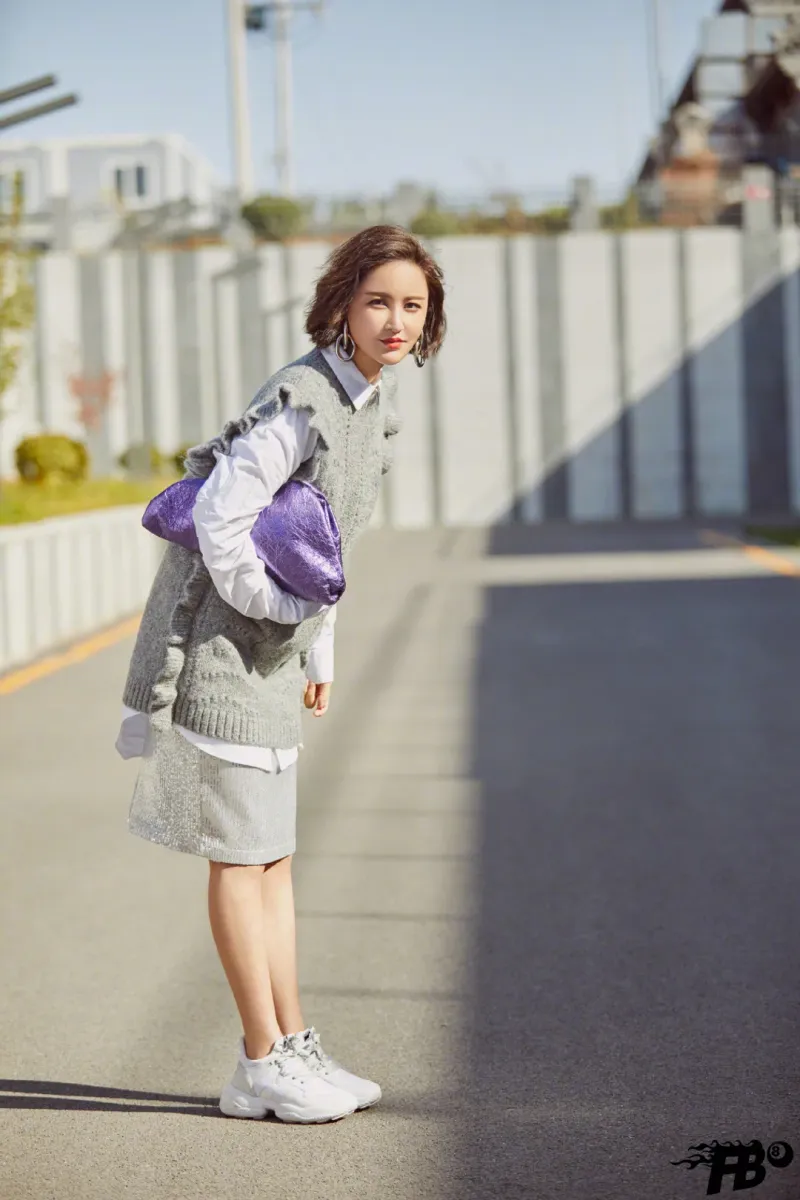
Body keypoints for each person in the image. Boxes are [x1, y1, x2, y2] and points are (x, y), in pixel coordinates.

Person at [115, 225, 447, 1124]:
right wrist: (274, 608)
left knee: (272, 860)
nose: (395, 320)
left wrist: (316, 648)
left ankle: (290, 1044)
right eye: (378, 301)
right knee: (240, 859)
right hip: (224, 659)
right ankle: (260, 1059)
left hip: (271, 664)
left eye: (412, 305)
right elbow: (221, 516)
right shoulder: (303, 399)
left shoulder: (367, 402)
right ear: (341, 304)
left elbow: (321, 544)